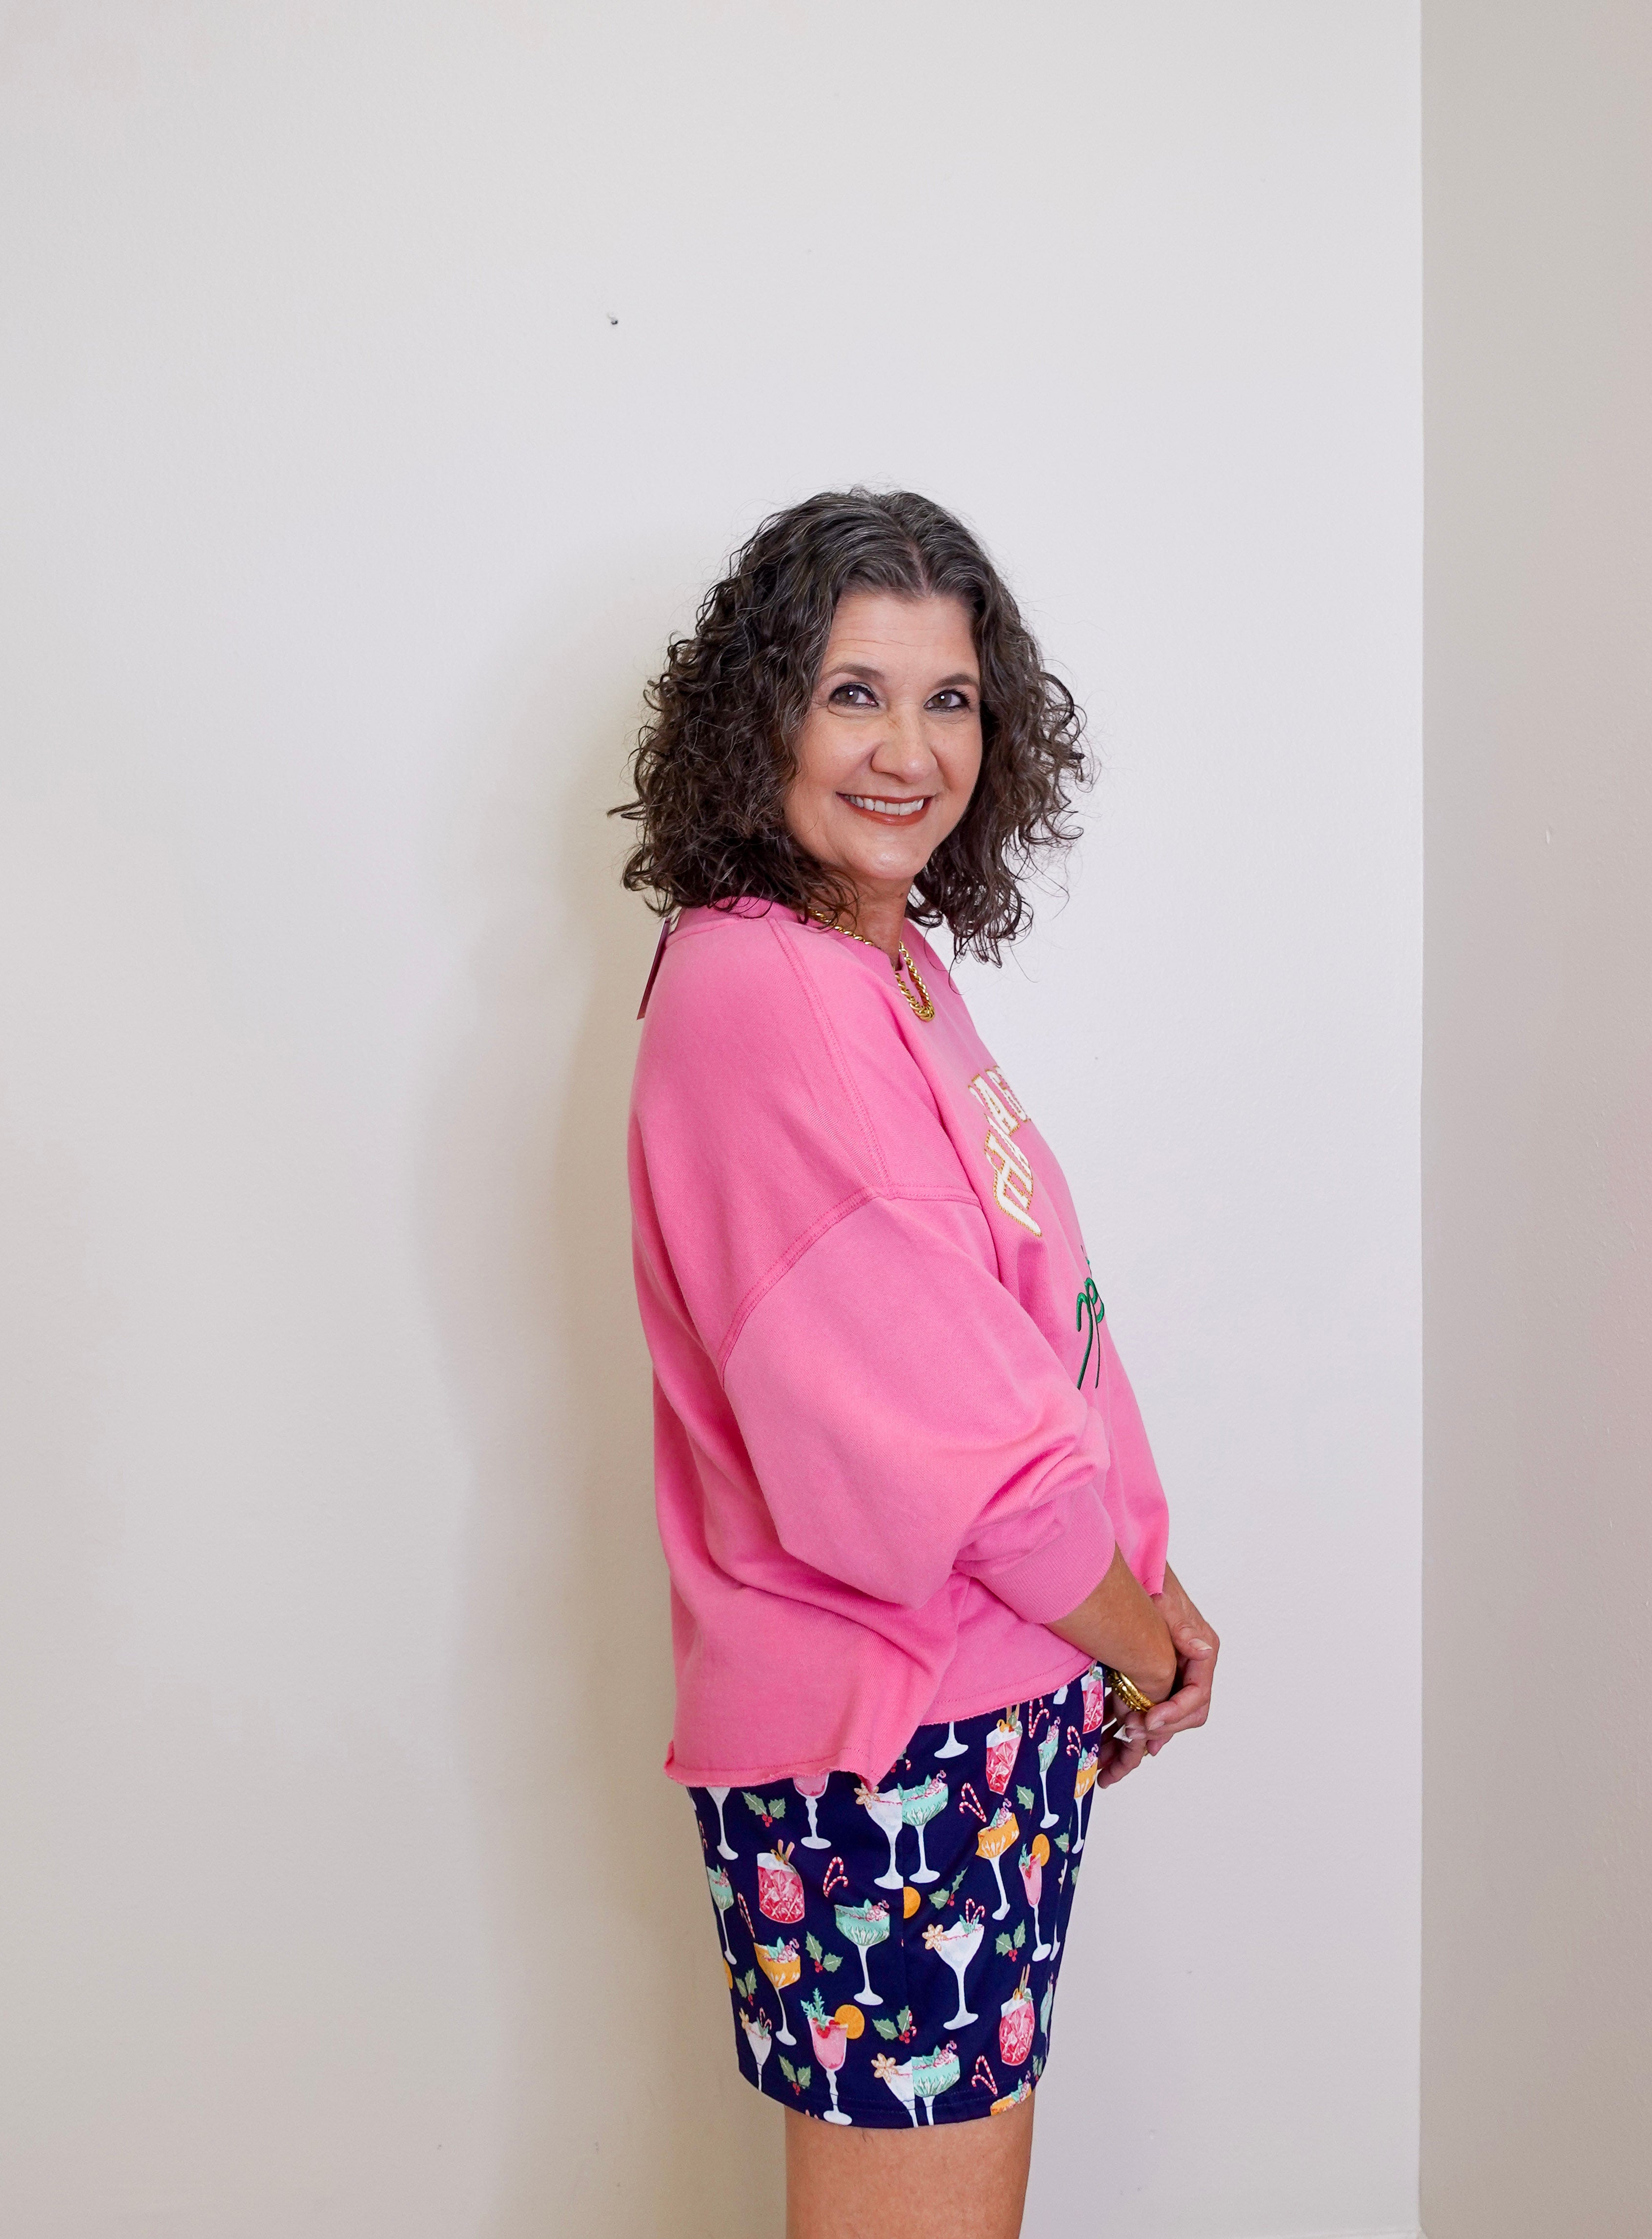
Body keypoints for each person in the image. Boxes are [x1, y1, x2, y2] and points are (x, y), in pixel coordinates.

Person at [618, 490, 1218, 2239]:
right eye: (853, 693)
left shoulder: (886, 969)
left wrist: (1138, 1591)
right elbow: (933, 1435)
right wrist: (1141, 1638)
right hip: (896, 1738)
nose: (908, 749)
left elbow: (1024, 1332)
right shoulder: (768, 993)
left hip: (986, 1711)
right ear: (763, 719)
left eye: (948, 698)